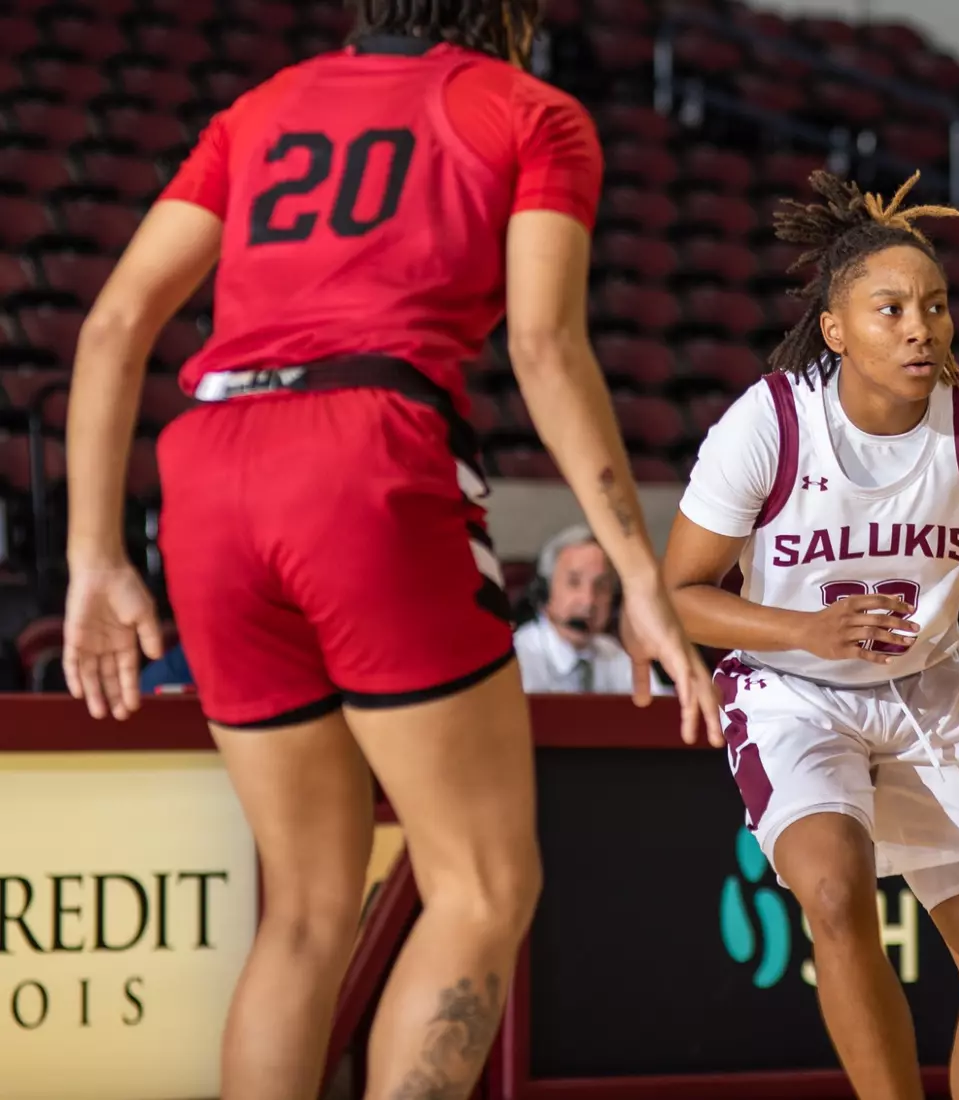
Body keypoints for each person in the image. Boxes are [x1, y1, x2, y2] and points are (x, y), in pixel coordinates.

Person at [59, 3, 722, 1099]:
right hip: (363, 451)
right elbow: (543, 345)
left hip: (210, 468)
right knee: (479, 882)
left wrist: (93, 554)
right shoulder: (531, 111)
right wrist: (637, 573)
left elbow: (115, 321)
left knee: (307, 908)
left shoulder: (261, 106)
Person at [661, 170, 959, 1100]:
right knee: (837, 899)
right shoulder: (766, 424)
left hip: (930, 694)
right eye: (890, 310)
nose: (920, 326)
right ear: (837, 328)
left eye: (934, 305)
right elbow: (677, 593)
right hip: (790, 692)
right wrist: (805, 628)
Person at [514, 522, 673, 695]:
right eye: (574, 582)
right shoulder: (520, 657)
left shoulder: (612, 652)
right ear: (543, 592)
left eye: (601, 586)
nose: (588, 600)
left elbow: (660, 707)